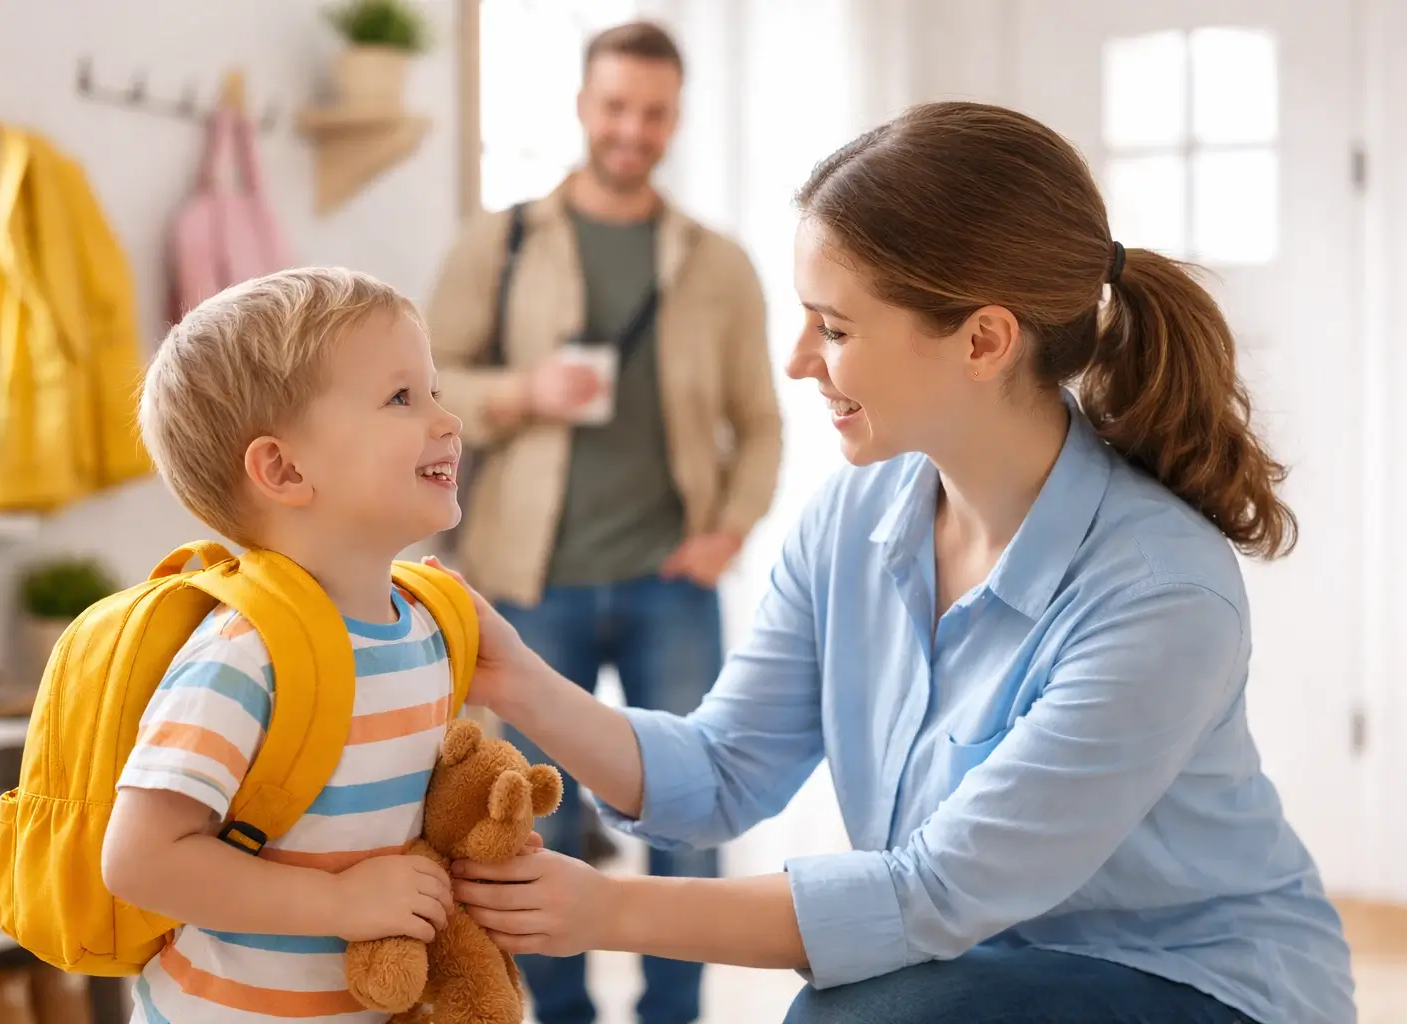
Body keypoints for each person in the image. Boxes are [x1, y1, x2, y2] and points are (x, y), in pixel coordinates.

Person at [436, 101, 1358, 1024]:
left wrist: (604, 908)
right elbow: (721, 769)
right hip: (984, 965)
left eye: (834, 328)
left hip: (1203, 983)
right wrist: (512, 676)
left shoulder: (1160, 593)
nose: (800, 362)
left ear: (985, 341)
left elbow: (929, 895)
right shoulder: (854, 516)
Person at [427, 19, 782, 1024]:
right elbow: (427, 379)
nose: (634, 129)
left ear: (675, 120)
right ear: (585, 108)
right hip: (531, 582)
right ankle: (562, 1014)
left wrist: (734, 528)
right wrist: (525, 390)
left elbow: (759, 422)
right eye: (617, 107)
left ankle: (674, 1012)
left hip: (672, 583)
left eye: (655, 112)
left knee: (694, 819)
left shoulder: (717, 265)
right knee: (530, 817)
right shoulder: (500, 243)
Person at [102, 268, 466, 1022]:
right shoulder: (244, 653)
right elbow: (140, 859)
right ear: (284, 469)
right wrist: (337, 901)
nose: (447, 421)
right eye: (402, 398)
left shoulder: (426, 627)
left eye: (434, 391)